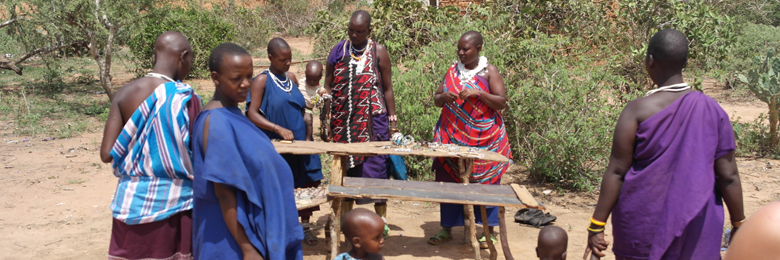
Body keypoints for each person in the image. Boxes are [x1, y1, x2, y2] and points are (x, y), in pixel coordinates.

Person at [584, 29, 745, 260]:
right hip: (696, 226)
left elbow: (617, 170)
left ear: (649, 61)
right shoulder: (712, 110)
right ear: (685, 63)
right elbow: (728, 176)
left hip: (642, 226)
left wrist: (596, 225)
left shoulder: (636, 110)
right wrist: (739, 223)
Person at [191, 43, 303, 260]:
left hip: (255, 231)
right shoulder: (216, 122)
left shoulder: (232, 114)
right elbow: (224, 191)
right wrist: (247, 248)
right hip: (231, 240)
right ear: (216, 78)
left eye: (249, 76)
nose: (245, 84)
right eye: (236, 79)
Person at [100, 31, 199, 260]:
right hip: (177, 204)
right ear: (183, 57)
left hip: (131, 204)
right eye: (191, 59)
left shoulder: (124, 93)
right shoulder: (184, 98)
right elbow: (199, 152)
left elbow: (107, 154)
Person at [427, 31, 512, 249]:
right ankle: (446, 227)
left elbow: (501, 102)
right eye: (459, 48)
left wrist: (478, 93)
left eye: (466, 49)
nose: (461, 52)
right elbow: (436, 99)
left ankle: (488, 230)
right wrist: (444, 97)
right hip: (451, 136)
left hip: (485, 139)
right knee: (447, 180)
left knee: (487, 183)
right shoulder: (452, 70)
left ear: (479, 48)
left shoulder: (489, 71)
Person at [246, 38, 324, 246]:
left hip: (300, 144)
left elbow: (300, 109)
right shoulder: (262, 81)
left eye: (290, 59)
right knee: (281, 187)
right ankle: (279, 230)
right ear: (270, 58)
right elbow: (251, 114)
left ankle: (305, 228)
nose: (288, 63)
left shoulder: (291, 79)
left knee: (305, 186)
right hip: (278, 147)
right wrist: (277, 128)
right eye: (283, 60)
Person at [321, 10, 397, 221]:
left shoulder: (378, 52)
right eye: (351, 30)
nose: (354, 35)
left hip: (373, 122)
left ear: (369, 31)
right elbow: (327, 86)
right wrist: (326, 120)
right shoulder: (338, 50)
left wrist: (393, 122)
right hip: (342, 122)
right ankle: (347, 221)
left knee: (377, 167)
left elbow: (388, 89)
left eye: (360, 31)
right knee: (346, 171)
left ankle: (381, 221)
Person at [298, 60, 328, 141]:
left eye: (315, 80)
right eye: (309, 79)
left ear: (320, 77)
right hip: (297, 106)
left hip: (307, 109)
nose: (311, 82)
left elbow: (324, 94)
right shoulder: (301, 82)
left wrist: (323, 97)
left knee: (308, 120)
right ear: (305, 74)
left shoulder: (318, 88)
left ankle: (308, 139)